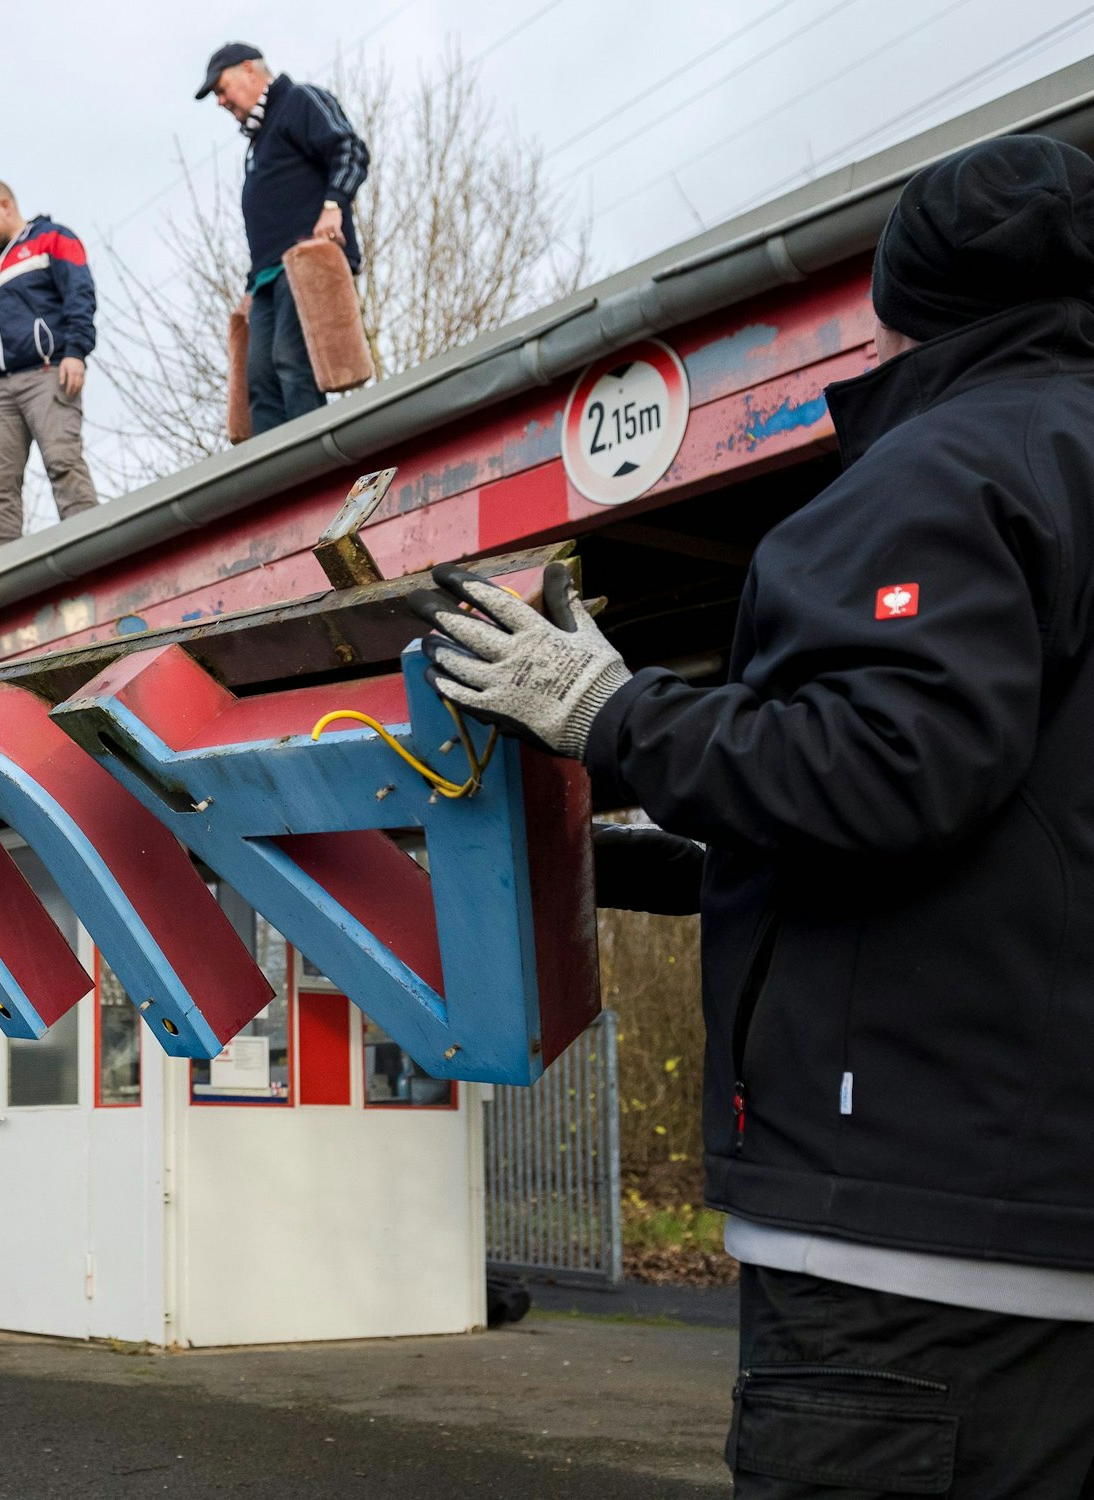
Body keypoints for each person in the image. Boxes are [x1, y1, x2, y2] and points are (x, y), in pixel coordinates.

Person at [416, 134, 1094, 1494]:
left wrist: (611, 714)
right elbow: (1011, 827)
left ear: (903, 308)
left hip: (907, 1254)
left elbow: (888, 767)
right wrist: (633, 847)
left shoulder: (948, 465)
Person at [196, 42, 368, 436]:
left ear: (249, 69)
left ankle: (313, 459)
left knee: (292, 360)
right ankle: (277, 467)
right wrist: (250, 286)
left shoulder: (298, 101)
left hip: (306, 262)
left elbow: (349, 150)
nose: (221, 101)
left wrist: (333, 205)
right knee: (260, 377)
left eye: (222, 89)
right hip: (267, 278)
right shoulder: (256, 144)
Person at [0, 178, 99, 548]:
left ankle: (92, 549)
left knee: (63, 463)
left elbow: (80, 297)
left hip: (47, 373)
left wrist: (75, 352)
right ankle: (10, 564)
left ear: (5, 206)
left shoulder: (53, 239)